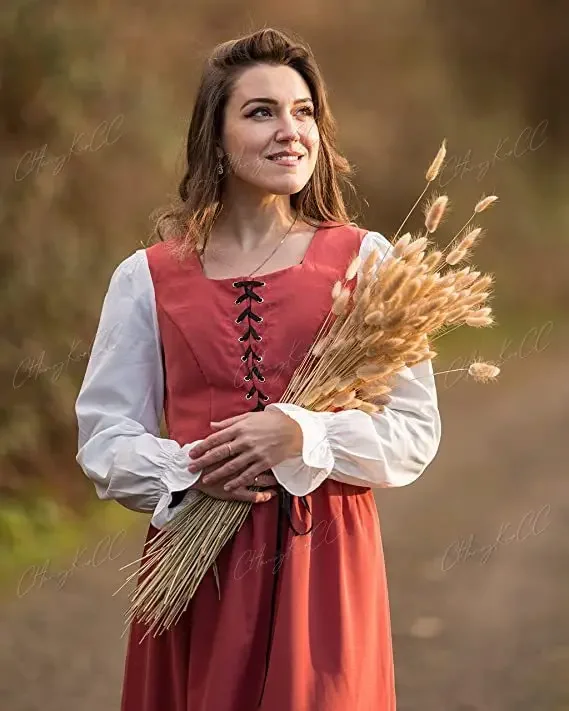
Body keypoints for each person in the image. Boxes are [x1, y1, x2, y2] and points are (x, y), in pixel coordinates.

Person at [74, 27, 441, 711]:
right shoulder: (145, 278)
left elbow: (413, 429)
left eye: (303, 112)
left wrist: (300, 434)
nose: (289, 131)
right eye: (261, 111)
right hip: (194, 573)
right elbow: (103, 435)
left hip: (324, 569)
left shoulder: (367, 261)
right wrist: (190, 468)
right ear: (215, 138)